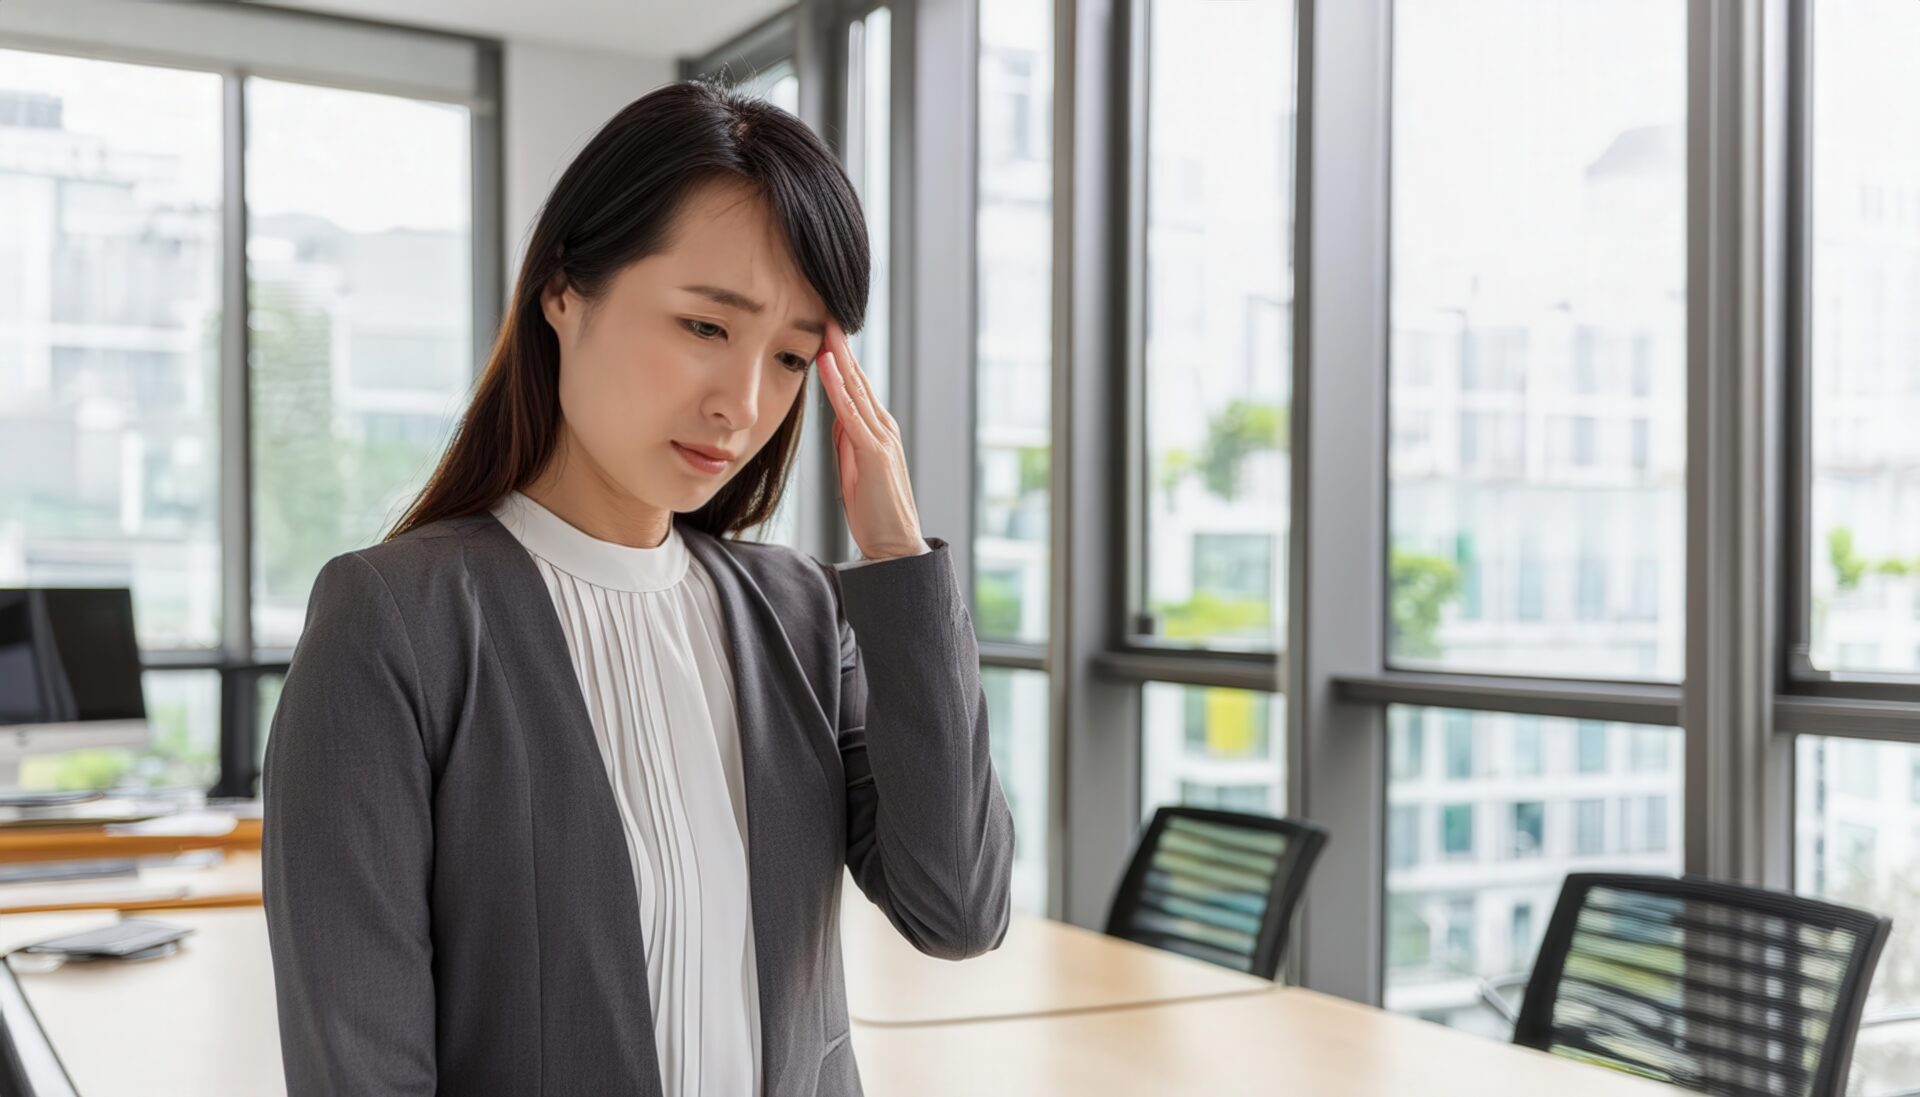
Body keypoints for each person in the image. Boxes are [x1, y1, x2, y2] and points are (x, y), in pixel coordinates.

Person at [260, 79, 1015, 1097]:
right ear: (565, 291)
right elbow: (361, 1067)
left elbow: (958, 908)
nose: (742, 403)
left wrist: (895, 555)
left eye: (793, 356)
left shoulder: (801, 616)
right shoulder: (398, 621)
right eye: (705, 326)